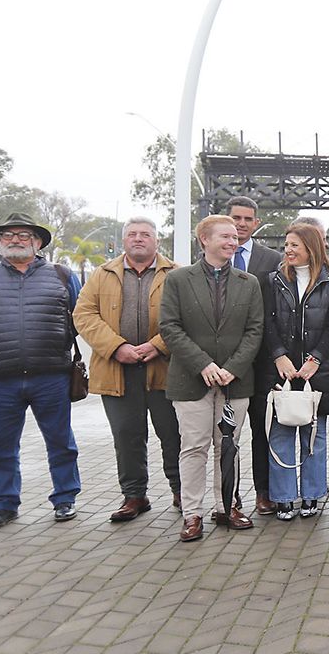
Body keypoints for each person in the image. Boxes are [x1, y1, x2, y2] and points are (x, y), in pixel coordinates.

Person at [0, 213, 83, 531]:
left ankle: (65, 498)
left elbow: (80, 318)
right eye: (7, 235)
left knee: (61, 442)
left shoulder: (62, 276)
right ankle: (3, 504)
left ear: (37, 243)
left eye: (23, 235)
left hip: (51, 375)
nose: (15, 240)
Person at [159, 214, 265, 542]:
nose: (233, 241)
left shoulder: (249, 282)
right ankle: (192, 513)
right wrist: (203, 364)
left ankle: (227, 506)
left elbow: (255, 330)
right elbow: (170, 327)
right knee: (194, 447)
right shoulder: (178, 280)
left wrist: (234, 367)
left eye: (235, 237)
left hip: (236, 382)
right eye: (226, 236)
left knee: (228, 446)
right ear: (204, 239)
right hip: (191, 380)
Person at [73, 217, 182, 520]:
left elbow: (189, 315)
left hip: (166, 369)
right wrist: (117, 347)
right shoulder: (102, 274)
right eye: (132, 234)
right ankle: (134, 496)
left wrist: (158, 345)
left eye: (145, 234)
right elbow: (83, 315)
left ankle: (181, 491)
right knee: (126, 436)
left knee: (173, 434)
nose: (138, 238)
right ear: (123, 241)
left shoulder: (177, 274)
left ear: (157, 241)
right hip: (116, 370)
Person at [259, 223, 329, 519]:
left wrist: (316, 359)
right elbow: (267, 322)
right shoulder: (273, 280)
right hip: (281, 372)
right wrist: (279, 356)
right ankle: (283, 497)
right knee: (280, 434)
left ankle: (311, 495)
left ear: (311, 247)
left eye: (294, 245)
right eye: (286, 245)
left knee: (314, 437)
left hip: (317, 372)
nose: (288, 250)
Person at [223, 197, 282, 515]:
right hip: (220, 360)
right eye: (236, 218)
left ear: (256, 223)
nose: (241, 224)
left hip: (260, 362)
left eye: (248, 219)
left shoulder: (272, 259)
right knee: (225, 434)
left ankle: (263, 492)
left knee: (261, 429)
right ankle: (228, 496)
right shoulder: (213, 256)